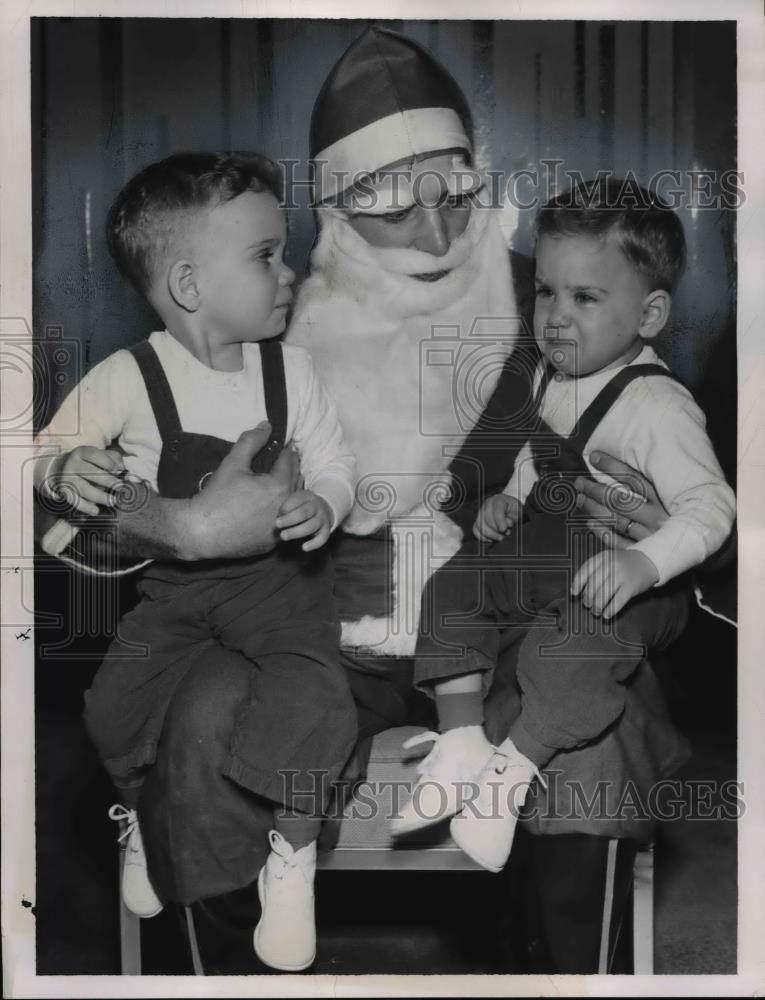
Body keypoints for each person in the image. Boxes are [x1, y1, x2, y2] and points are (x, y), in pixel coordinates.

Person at [36, 27, 704, 974]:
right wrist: (174, 524)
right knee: (204, 718)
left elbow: (681, 484)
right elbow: (70, 493)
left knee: (595, 732)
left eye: (455, 196)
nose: (434, 237)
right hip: (309, 626)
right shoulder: (258, 340)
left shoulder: (569, 306)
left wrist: (657, 547)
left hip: (508, 624)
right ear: (338, 212)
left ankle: (559, 976)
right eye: (394, 209)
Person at [33, 152, 358, 973]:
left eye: (282, 251)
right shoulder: (128, 377)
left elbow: (333, 464)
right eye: (264, 256)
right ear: (188, 284)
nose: (288, 273)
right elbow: (44, 454)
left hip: (281, 589)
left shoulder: (293, 370)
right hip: (174, 595)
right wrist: (64, 468)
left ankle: (291, 854)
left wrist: (324, 502)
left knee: (317, 697)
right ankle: (141, 815)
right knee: (111, 707)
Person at [392, 180, 736, 880]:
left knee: (571, 640)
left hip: (626, 580)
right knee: (453, 583)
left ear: (648, 314)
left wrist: (644, 564)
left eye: (584, 298)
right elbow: (538, 450)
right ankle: (459, 742)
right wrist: (512, 498)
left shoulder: (657, 407)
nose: (554, 316)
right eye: (545, 292)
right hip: (547, 549)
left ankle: (511, 773)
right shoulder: (550, 375)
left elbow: (710, 509)